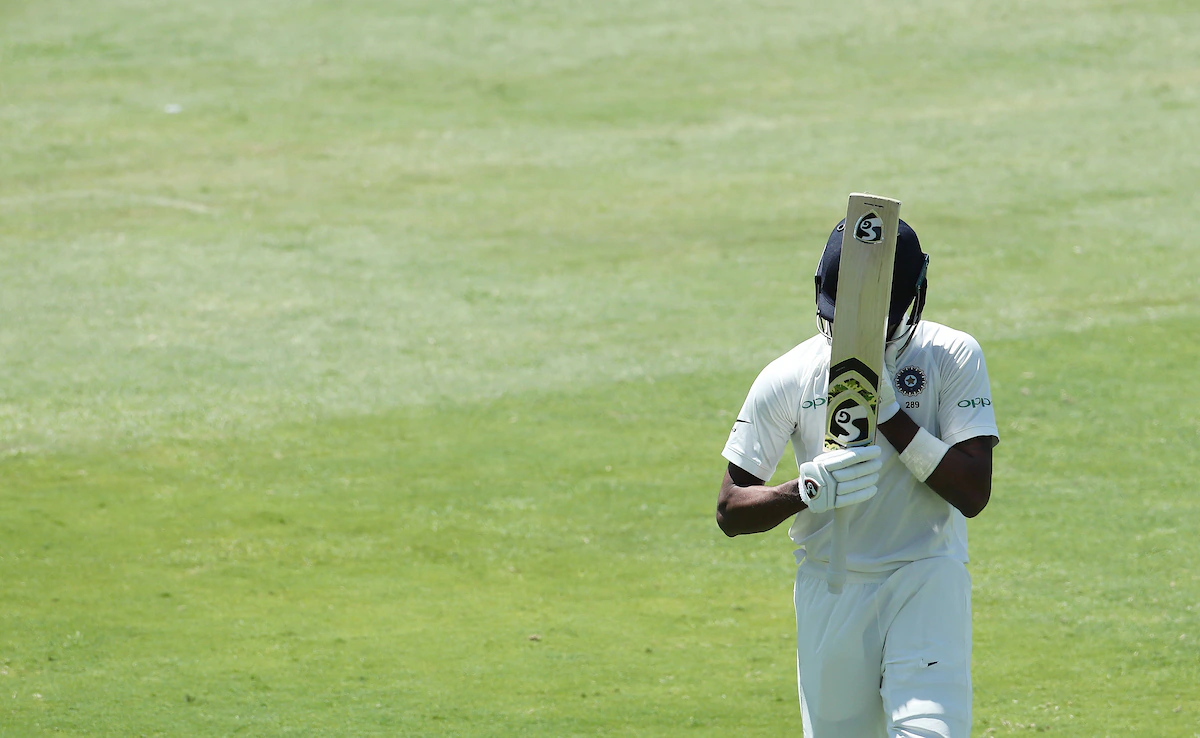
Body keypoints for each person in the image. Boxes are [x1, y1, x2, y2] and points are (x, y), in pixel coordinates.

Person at [716, 216, 999, 738]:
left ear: (917, 297)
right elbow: (730, 510)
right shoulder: (790, 375)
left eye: (884, 318)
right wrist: (803, 490)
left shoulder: (952, 356)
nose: (863, 330)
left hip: (927, 576)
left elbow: (973, 491)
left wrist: (888, 410)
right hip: (832, 586)